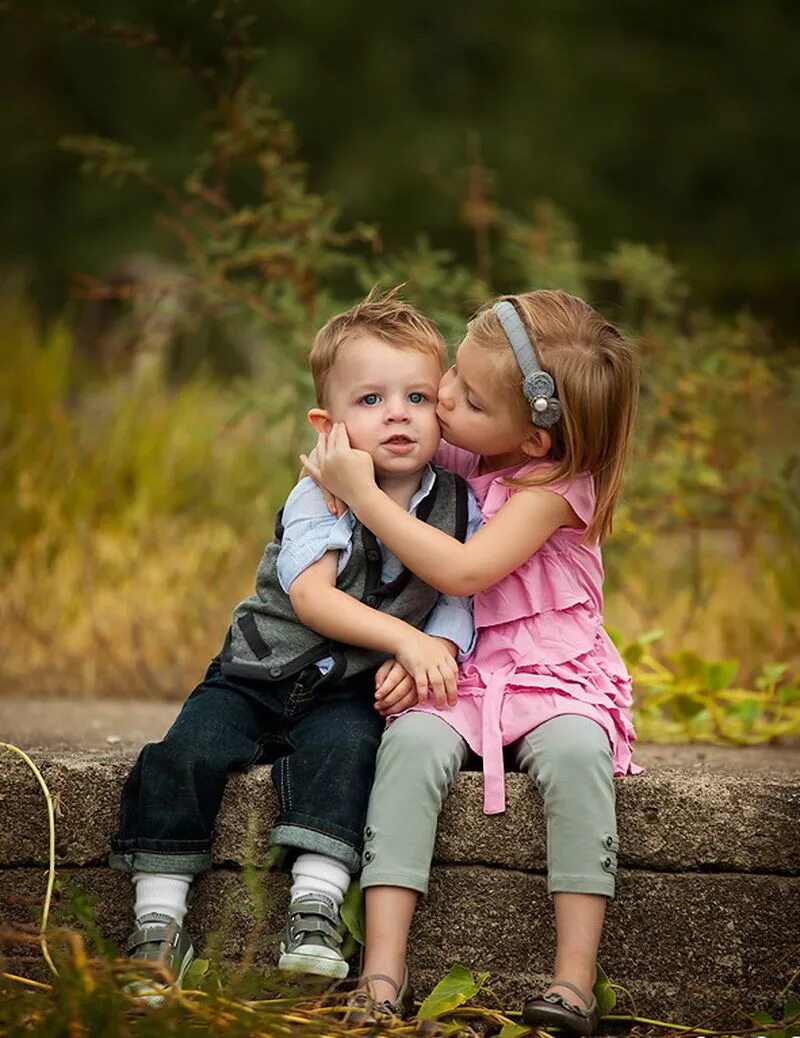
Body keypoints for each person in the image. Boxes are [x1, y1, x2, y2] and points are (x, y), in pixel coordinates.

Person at [109, 292, 480, 1002]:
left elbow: (458, 599)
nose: (398, 413)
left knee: (347, 753)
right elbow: (313, 598)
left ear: (444, 412)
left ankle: (313, 911)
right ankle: (158, 924)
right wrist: (405, 637)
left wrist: (435, 650)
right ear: (328, 425)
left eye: (418, 397)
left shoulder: (457, 505)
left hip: (345, 690)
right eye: (371, 399)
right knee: (187, 753)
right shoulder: (320, 493)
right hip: (255, 672)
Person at [303, 289, 641, 1037]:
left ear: (534, 441)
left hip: (550, 668)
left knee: (580, 753)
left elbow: (462, 572)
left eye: (469, 398)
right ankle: (381, 978)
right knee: (413, 744)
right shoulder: (458, 436)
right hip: (460, 660)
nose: (443, 399)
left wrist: (363, 494)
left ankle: (573, 982)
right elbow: (355, 443)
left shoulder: (553, 488)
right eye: (450, 375)